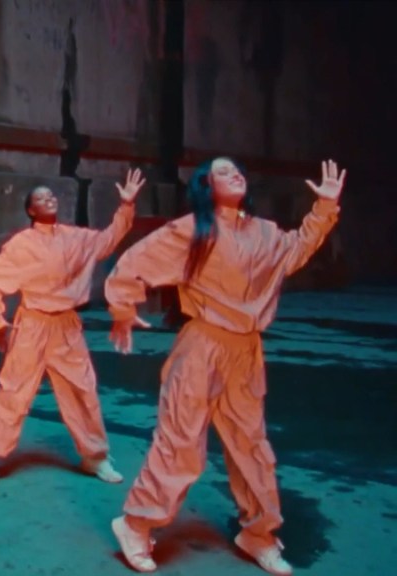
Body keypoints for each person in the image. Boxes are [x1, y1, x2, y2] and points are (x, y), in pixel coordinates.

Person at [104, 158, 345, 575]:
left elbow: (297, 249)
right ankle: (135, 525)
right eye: (222, 171)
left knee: (252, 448)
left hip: (245, 353)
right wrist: (122, 308)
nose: (234, 174)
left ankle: (258, 535)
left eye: (237, 170)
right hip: (202, 346)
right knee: (180, 444)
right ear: (206, 186)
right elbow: (135, 262)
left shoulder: (265, 232)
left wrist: (324, 207)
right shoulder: (192, 230)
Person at [0, 169, 146, 486]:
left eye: (50, 195)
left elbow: (107, 240)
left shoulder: (75, 238)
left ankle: (95, 457)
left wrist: (126, 206)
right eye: (40, 198)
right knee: (14, 391)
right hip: (33, 324)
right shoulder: (21, 245)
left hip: (66, 326)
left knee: (82, 389)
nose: (48, 199)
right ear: (30, 210)